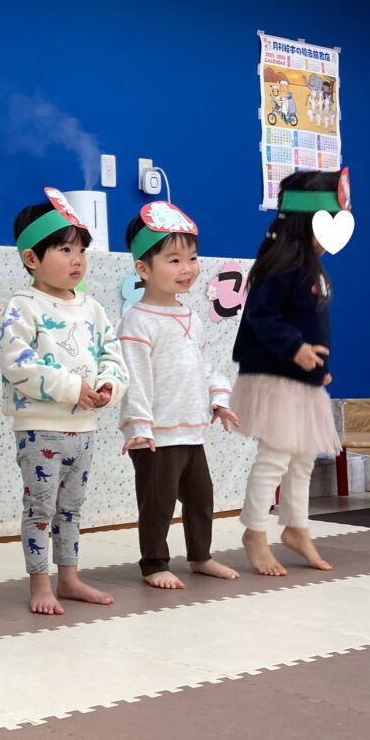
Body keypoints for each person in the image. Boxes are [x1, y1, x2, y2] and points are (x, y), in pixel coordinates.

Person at [0, 188, 128, 615]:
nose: (78, 260)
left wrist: (107, 386)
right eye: (65, 249)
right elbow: (17, 364)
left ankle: (69, 578)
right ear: (31, 258)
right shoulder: (23, 306)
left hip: (84, 430)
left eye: (82, 251)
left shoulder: (93, 308)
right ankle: (40, 584)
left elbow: (113, 355)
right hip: (40, 428)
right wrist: (72, 388)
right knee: (40, 508)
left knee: (71, 509)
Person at [118, 201, 240, 589]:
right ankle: (154, 563)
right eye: (174, 260)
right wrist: (140, 427)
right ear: (143, 268)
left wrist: (218, 397)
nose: (187, 268)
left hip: (190, 431)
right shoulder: (137, 320)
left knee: (201, 498)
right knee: (158, 501)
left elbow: (203, 366)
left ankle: (200, 556)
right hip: (156, 435)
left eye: (192, 258)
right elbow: (134, 378)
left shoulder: (190, 317)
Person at [234, 169, 348, 576]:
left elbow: (312, 324)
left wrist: (320, 370)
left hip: (302, 377)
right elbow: (261, 315)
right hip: (276, 375)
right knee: (277, 455)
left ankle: (296, 526)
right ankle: (254, 531)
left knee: (303, 457)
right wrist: (295, 349)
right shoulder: (282, 264)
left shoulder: (311, 265)